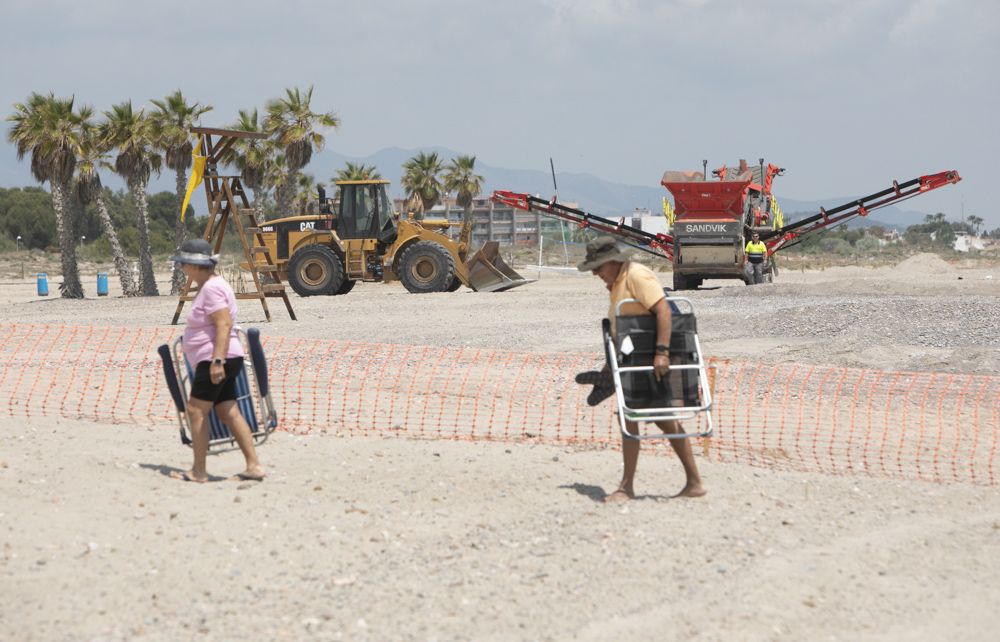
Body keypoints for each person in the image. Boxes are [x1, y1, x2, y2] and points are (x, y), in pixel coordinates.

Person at [578, 236, 706, 502]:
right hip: (633, 358)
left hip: (650, 359)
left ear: (613, 262)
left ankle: (627, 488)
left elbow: (663, 311)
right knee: (653, 418)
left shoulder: (636, 275)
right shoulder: (619, 282)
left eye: (598, 267)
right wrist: (608, 368)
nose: (596, 273)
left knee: (633, 417)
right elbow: (623, 330)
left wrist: (662, 352)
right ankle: (693, 483)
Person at [169, 238, 265, 483]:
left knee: (196, 410)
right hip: (223, 356)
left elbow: (223, 323)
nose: (182, 269)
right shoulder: (213, 285)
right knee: (227, 411)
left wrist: (217, 361)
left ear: (194, 265)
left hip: (215, 357)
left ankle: (198, 471)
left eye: (184, 264)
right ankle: (253, 466)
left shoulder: (211, 289)